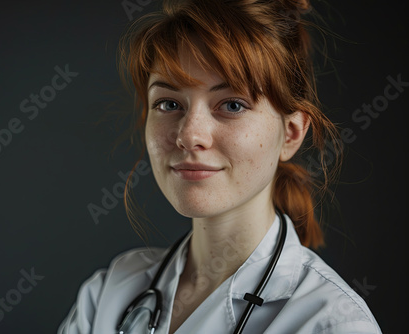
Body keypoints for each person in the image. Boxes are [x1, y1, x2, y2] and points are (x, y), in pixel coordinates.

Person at [58, 0, 382, 333]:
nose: (189, 135)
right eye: (169, 103)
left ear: (291, 134)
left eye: (232, 104)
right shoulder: (109, 293)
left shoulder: (334, 323)